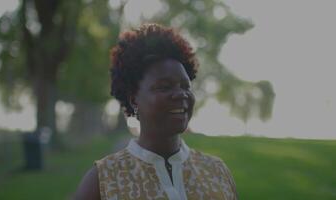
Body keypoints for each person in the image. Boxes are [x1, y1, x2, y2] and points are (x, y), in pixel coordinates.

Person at [74, 23, 238, 200]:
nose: (181, 94)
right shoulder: (102, 180)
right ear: (134, 98)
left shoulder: (217, 172)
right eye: (164, 87)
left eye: (185, 86)